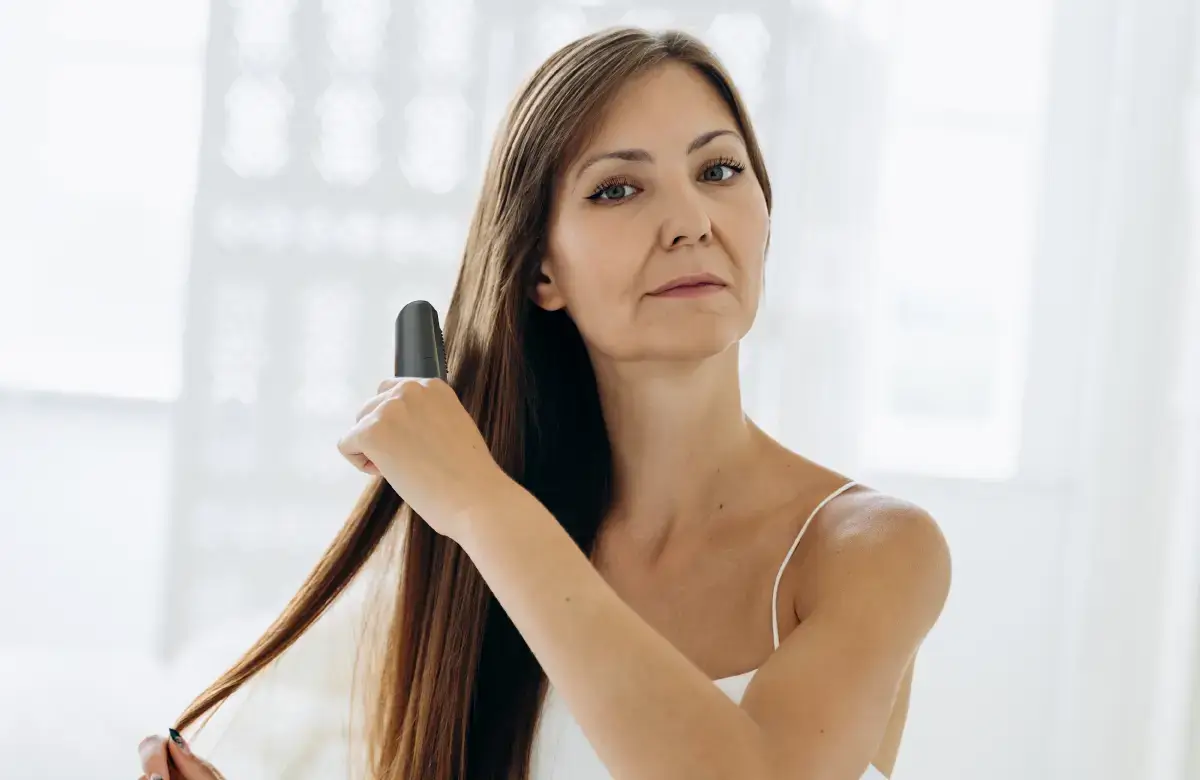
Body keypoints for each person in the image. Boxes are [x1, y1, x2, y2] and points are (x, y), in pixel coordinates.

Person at [138, 26, 951, 780]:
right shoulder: (483, 557)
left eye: (718, 171)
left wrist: (480, 502)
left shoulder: (871, 551)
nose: (691, 221)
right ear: (540, 273)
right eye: (618, 189)